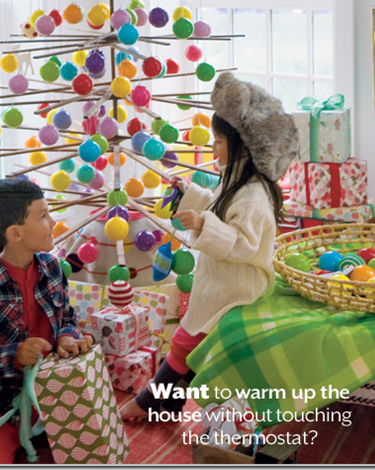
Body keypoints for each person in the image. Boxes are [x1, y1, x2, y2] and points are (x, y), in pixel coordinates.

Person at [120, 72, 300, 420]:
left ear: (243, 146)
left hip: (238, 287)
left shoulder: (253, 196)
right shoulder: (237, 179)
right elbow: (220, 209)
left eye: (218, 141)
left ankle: (150, 401)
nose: (213, 147)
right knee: (190, 337)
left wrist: (204, 225)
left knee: (186, 340)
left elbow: (243, 244)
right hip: (220, 279)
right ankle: (169, 401)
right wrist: (188, 195)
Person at [0, 178, 94, 464]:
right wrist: (15, 355)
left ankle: (34, 428)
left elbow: (67, 316)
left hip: (52, 384)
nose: (53, 222)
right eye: (43, 216)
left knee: (94, 441)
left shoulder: (53, 267)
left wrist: (67, 336)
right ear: (15, 234)